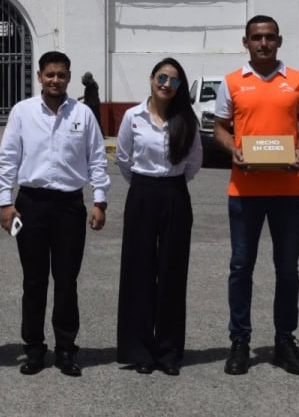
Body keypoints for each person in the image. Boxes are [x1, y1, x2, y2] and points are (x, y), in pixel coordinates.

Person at [212, 15, 299, 376]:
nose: (264, 43)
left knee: (287, 270)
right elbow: (220, 129)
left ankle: (285, 341)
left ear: (280, 40)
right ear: (246, 42)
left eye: (270, 37)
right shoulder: (232, 82)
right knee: (241, 267)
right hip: (245, 191)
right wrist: (233, 150)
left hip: (289, 191)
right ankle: (239, 340)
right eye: (257, 38)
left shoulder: (297, 81)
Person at [0, 51, 109, 377]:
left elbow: (97, 159)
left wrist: (99, 201)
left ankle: (65, 349)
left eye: (61, 75)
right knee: (32, 281)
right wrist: (6, 203)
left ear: (69, 77)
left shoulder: (83, 114)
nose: (55, 80)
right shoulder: (22, 112)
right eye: (49, 75)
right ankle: (33, 348)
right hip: (29, 205)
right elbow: (8, 160)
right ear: (40, 76)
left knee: (66, 280)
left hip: (69, 207)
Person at [114, 58, 203, 375]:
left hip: (175, 195)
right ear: (152, 79)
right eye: (162, 77)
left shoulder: (186, 120)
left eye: (174, 80)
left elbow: (193, 163)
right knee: (138, 272)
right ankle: (139, 350)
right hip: (141, 194)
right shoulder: (132, 117)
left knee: (171, 273)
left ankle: (168, 352)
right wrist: (145, 186)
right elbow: (123, 159)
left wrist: (169, 184)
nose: (167, 84)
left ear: (180, 86)